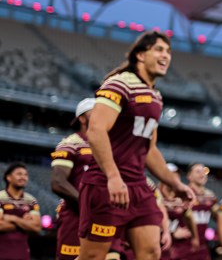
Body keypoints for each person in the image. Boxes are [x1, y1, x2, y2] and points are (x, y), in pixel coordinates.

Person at [78, 31, 195, 260]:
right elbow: (96, 130)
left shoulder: (156, 97)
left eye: (169, 52)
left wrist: (174, 183)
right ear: (141, 55)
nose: (166, 56)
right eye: (159, 49)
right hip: (105, 185)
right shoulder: (119, 83)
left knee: (152, 252)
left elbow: (149, 150)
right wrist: (113, 177)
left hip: (138, 187)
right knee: (92, 257)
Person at [51, 97, 97, 260]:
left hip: (102, 215)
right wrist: (86, 204)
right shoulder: (71, 143)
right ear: (82, 118)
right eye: (95, 112)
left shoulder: (108, 145)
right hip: (75, 215)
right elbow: (58, 182)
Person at [0, 163, 41, 260]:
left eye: (26, 175)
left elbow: (37, 228)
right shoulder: (0, 197)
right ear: (8, 177)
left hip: (22, 254)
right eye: (19, 174)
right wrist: (25, 223)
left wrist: (13, 218)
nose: (23, 177)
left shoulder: (31, 200)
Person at [160, 164, 199, 260]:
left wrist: (195, 237)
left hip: (180, 248)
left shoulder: (181, 196)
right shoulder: (156, 195)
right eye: (172, 174)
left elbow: (189, 216)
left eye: (177, 174)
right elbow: (152, 219)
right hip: (160, 244)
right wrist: (172, 232)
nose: (176, 177)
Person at [185, 163, 217, 260]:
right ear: (189, 176)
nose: (202, 174)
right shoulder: (183, 193)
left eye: (204, 171)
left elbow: (219, 216)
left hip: (203, 245)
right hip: (183, 245)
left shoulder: (210, 196)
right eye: (198, 171)